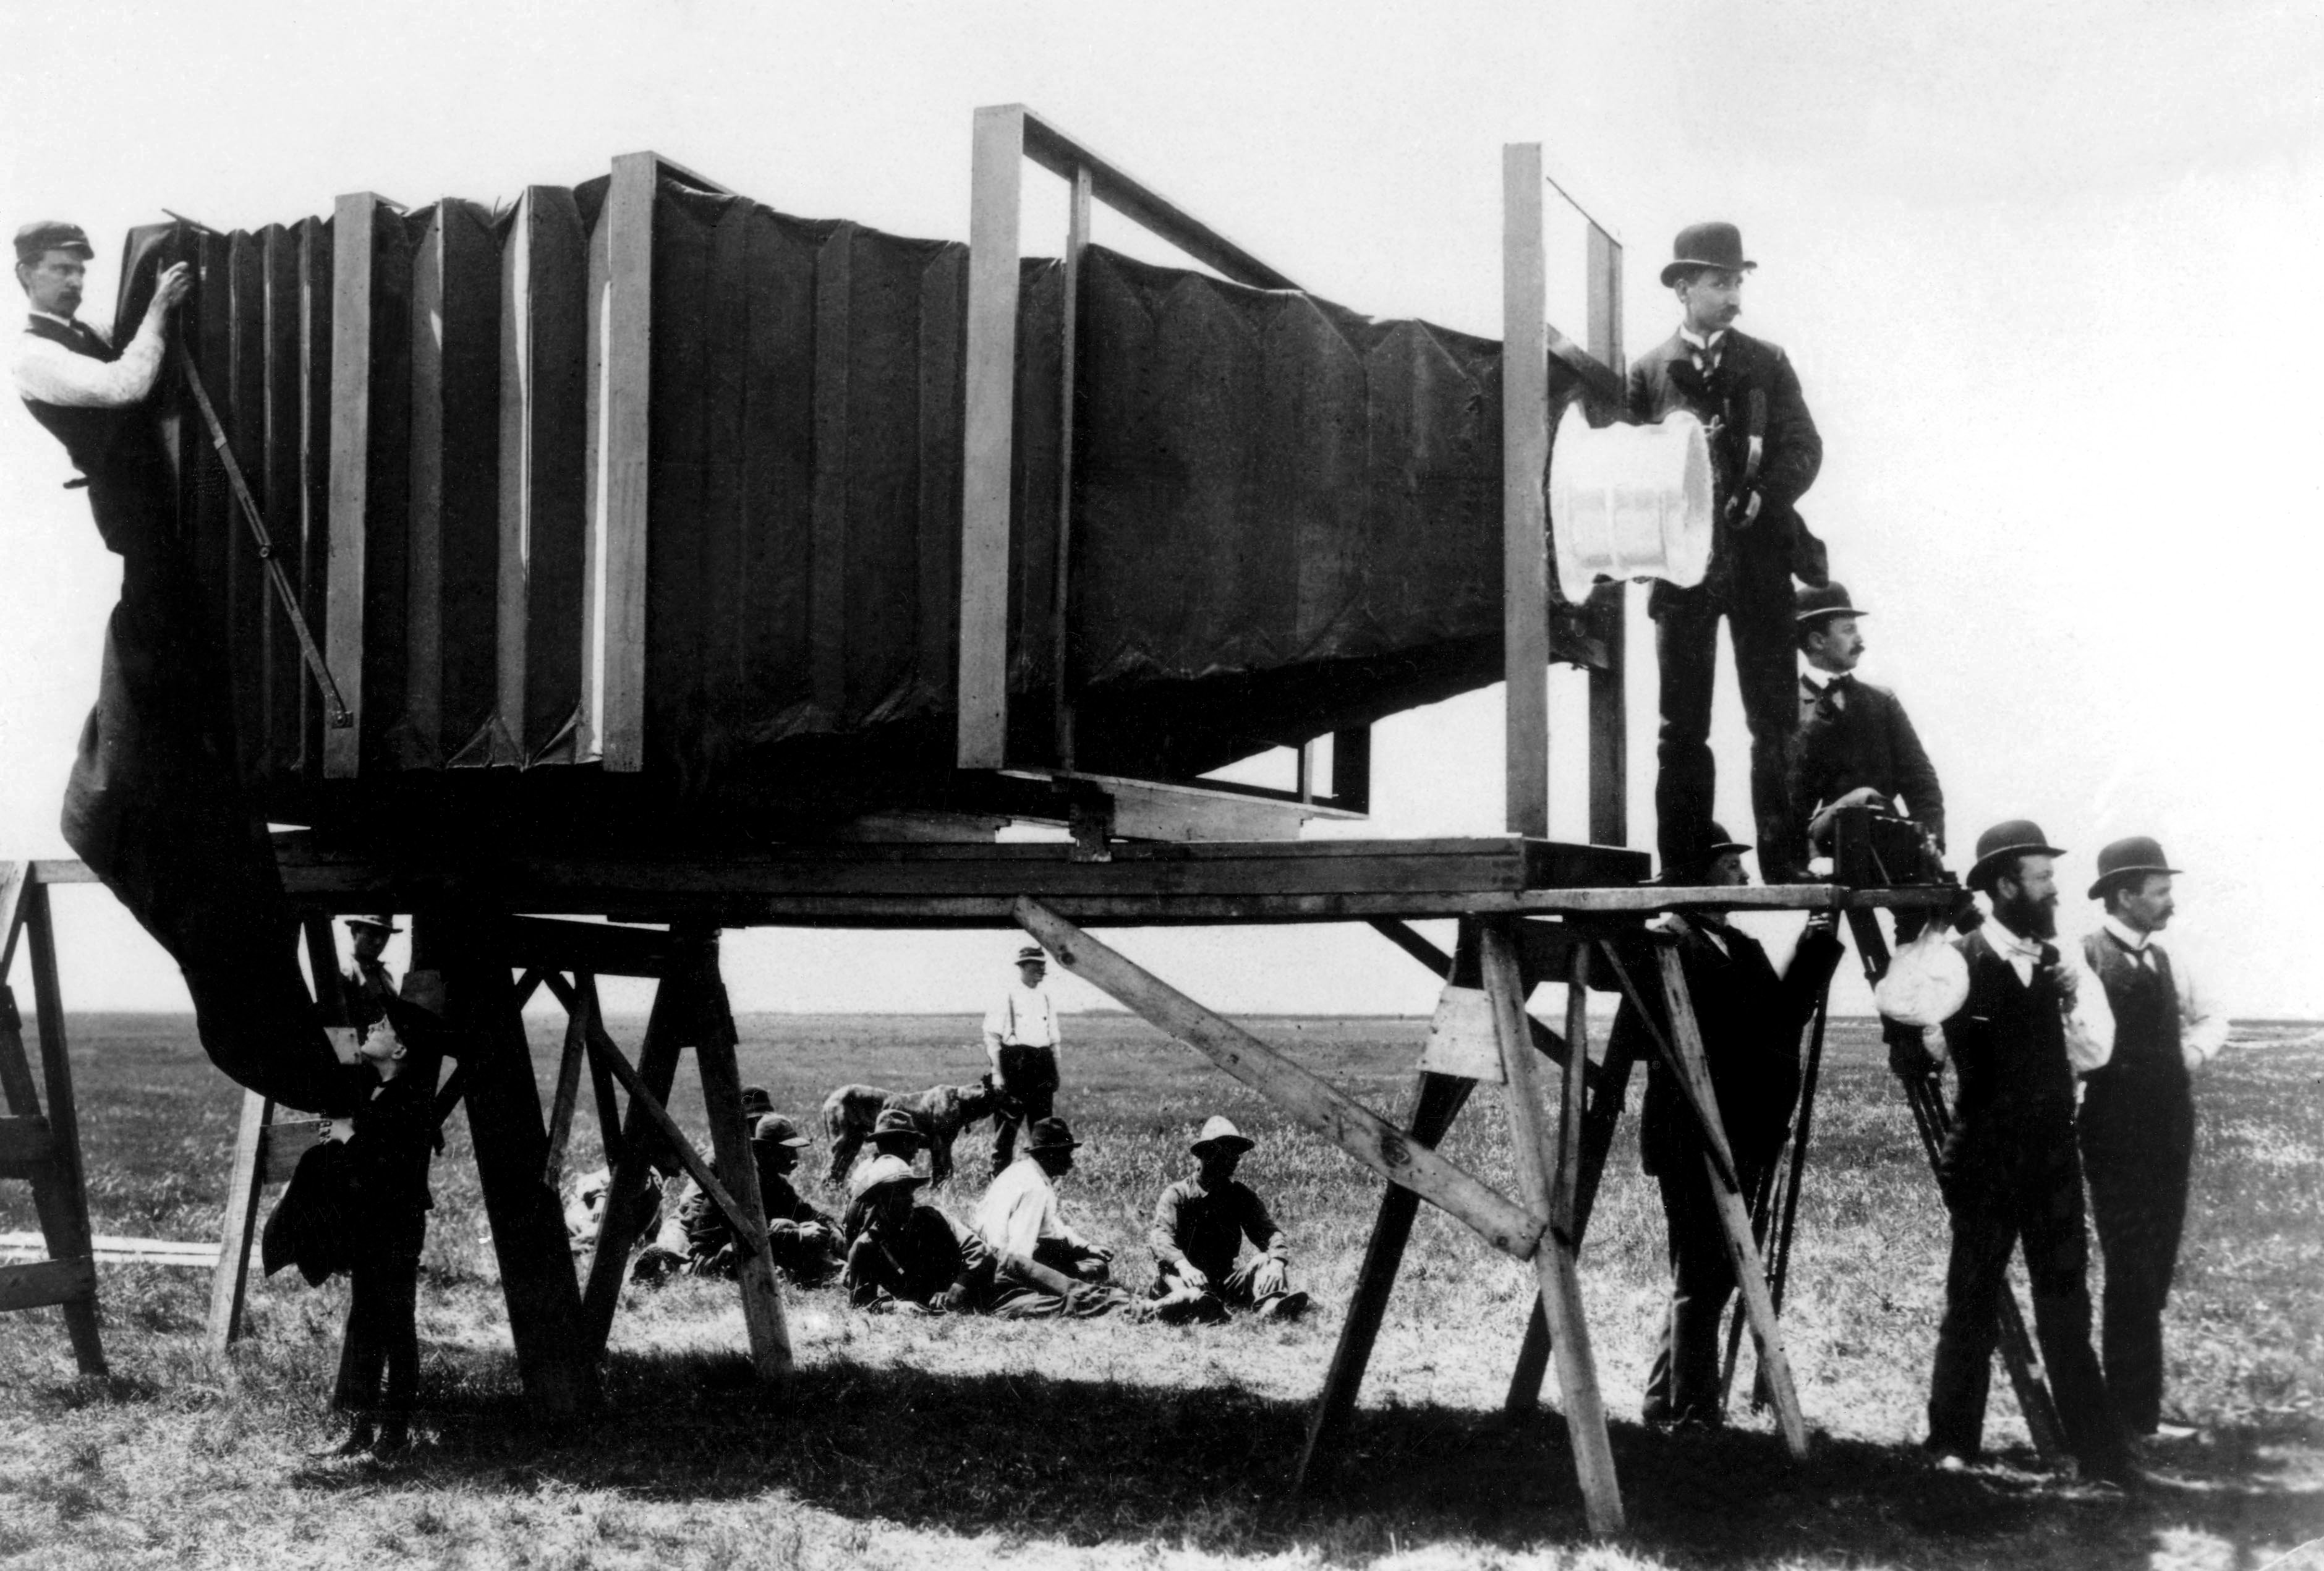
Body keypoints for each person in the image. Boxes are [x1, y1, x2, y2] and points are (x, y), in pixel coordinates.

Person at [14, 221, 358, 1117]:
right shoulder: (32, 356)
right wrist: (162, 309)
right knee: (161, 642)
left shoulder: (75, 333)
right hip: (137, 525)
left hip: (163, 521)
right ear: (24, 276)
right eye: (60, 270)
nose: (74, 282)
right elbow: (124, 384)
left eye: (81, 269)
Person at [1923, 821, 2134, 1483]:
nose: (2054, 891)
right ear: (2006, 885)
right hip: (1984, 1159)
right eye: (2042, 878)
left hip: (2051, 1160)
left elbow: (2095, 1053)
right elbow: (1924, 1043)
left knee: (2067, 1306)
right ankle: (1953, 1444)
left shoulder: (2063, 961)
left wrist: (2070, 996)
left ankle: (2099, 1454)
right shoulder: (1954, 959)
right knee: (1970, 1303)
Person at [1620, 824, 1841, 1426]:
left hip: (1745, 1131)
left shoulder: (1740, 946)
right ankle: (1693, 1412)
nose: (1745, 876)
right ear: (1699, 877)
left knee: (1711, 1274)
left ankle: (1665, 1400)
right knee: (1703, 1272)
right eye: (1730, 867)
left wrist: (1815, 945)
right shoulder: (1666, 943)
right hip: (1691, 1134)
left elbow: (1782, 1018)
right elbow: (1651, 1036)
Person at [1628, 222, 1826, 885]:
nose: (1734, 296)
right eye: (1720, 283)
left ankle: (1787, 863)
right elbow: (1632, 468)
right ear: (1684, 288)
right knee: (1680, 726)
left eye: (1739, 282)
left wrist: (1764, 497)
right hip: (1681, 572)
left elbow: (1804, 448)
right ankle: (1684, 865)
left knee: (1775, 721)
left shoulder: (1768, 361)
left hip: (1761, 564)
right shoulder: (1647, 372)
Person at [2079, 837, 2228, 1444]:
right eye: (2160, 892)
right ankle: (2129, 1416)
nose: (2171, 903)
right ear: (2125, 895)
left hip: (2169, 1131)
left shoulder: (2170, 958)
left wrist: (2190, 1055)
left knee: (2155, 1266)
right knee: (2131, 1268)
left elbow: (2213, 1016)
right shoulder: (2083, 957)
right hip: (2113, 1134)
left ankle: (2137, 1411)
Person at [324, 1001, 443, 1458]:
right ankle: (362, 1430)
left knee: (394, 1327)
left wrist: (345, 1136)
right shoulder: (388, 1093)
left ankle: (393, 1435)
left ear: (400, 1049)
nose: (372, 1025)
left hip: (393, 1229)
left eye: (384, 1025)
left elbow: (385, 1169)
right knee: (368, 1324)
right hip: (379, 1227)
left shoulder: (406, 1100)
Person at [1790, 583, 1944, 866]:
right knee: (1865, 798)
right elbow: (1785, 800)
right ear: (1818, 641)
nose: (1859, 639)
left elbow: (1920, 779)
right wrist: (1800, 859)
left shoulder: (1881, 702)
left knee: (1872, 804)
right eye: (1848, 630)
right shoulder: (1788, 708)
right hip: (1821, 848)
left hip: (1882, 840)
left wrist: (1930, 837)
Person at [1147, 1116, 1309, 1323]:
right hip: (1182, 1275)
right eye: (1226, 1153)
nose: (1234, 1160)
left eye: (1236, 1154)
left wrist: (1277, 1261)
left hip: (1224, 1280)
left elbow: (1269, 1233)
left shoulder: (1239, 1195)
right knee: (1185, 1291)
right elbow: (1160, 1235)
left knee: (1264, 1260)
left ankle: (1271, 1307)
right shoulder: (1178, 1194)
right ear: (1206, 1154)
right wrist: (1183, 1266)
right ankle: (1200, 1307)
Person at [971, 1116, 1138, 1317]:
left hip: (988, 1256)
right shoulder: (1034, 1188)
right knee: (1096, 1269)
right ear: (1048, 1155)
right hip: (1004, 1263)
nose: (1071, 1162)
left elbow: (1050, 1224)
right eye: (1065, 1154)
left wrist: (1086, 1246)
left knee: (1091, 1261)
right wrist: (1040, 1279)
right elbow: (1019, 1250)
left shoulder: (1022, 1172)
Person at [677, 1114, 841, 1285]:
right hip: (711, 1259)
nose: (795, 1159)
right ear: (764, 1150)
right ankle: (834, 1273)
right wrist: (799, 1235)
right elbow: (751, 1237)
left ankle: (833, 1271)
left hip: (743, 1250)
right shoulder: (743, 1183)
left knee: (796, 1231)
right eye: (787, 1151)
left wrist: (832, 1228)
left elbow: (806, 1213)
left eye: (794, 1150)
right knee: (790, 1234)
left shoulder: (775, 1181)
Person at [842, 1156, 997, 1314]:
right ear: (881, 1200)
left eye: (910, 1190)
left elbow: (981, 1252)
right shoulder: (866, 1247)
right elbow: (859, 1303)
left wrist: (958, 1287)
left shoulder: (934, 1217)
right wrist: (896, 1307)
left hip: (981, 1291)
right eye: (901, 1192)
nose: (911, 1199)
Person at [985, 944, 1063, 1175]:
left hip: (1043, 1065)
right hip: (1016, 1066)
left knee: (1044, 1129)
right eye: (1035, 965)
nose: (1041, 970)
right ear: (1022, 966)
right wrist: (997, 1074)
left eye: (1043, 965)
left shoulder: (1046, 998)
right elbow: (992, 1038)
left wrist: (1056, 1072)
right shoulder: (1006, 995)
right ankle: (998, 1177)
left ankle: (1045, 1177)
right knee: (1006, 1129)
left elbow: (1054, 1041)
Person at [838, 1109, 930, 1244]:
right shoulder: (891, 1175)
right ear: (896, 1142)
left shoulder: (867, 1166)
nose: (916, 1150)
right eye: (911, 1143)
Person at [343, 917, 401, 1040]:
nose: (378, 942)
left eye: (384, 936)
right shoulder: (345, 974)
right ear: (355, 931)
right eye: (371, 934)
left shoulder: (386, 975)